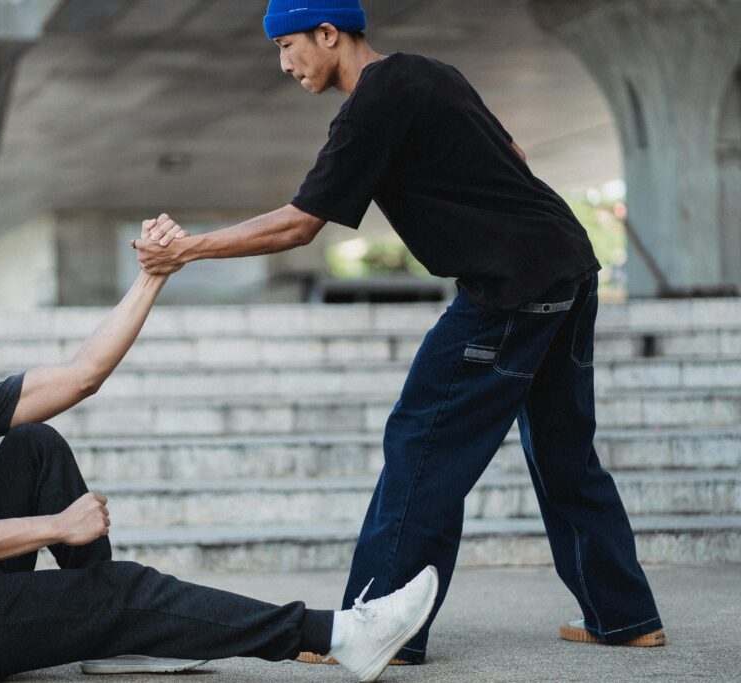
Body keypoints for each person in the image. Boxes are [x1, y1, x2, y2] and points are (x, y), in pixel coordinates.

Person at [134, 0, 665, 666]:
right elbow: (515, 154)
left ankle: (376, 626)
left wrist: (187, 249)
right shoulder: (429, 72)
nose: (284, 63)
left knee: (422, 445)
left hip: (509, 287)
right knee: (565, 451)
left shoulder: (370, 104)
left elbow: (300, 224)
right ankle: (625, 616)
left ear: (329, 33)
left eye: (288, 44)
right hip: (568, 265)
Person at [0, 216, 440, 683]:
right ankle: (338, 634)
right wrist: (56, 526)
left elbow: (84, 373)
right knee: (123, 592)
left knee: (34, 444)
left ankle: (111, 632)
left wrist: (152, 276)